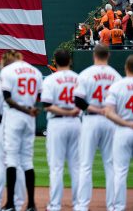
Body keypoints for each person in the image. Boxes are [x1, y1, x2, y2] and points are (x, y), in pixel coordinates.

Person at [73, 45, 119, 211]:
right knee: (110, 164)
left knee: (85, 164)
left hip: (91, 121)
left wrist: (96, 109)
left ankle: (82, 206)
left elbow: (78, 101)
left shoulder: (86, 74)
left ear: (94, 55)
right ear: (109, 55)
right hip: (110, 121)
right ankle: (112, 206)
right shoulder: (116, 76)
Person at [0, 50, 43, 211]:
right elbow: (40, 97)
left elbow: (8, 99)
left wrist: (25, 109)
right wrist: (31, 110)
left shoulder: (7, 71)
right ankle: (31, 204)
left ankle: (10, 203)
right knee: (27, 160)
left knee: (11, 158)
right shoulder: (36, 71)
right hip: (29, 117)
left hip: (15, 116)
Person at [0, 52, 26, 211]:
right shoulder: (19, 88)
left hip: (0, 130)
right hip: (17, 128)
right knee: (19, 165)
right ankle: (17, 202)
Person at [42, 49, 81, 211]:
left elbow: (46, 105)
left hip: (57, 125)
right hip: (76, 124)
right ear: (70, 61)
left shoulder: (50, 80)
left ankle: (55, 204)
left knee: (56, 166)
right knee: (76, 166)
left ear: (55, 62)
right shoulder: (79, 78)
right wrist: (72, 111)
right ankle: (79, 204)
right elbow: (83, 102)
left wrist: (65, 111)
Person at [104, 54, 133, 211]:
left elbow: (109, 113)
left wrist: (127, 124)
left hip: (123, 130)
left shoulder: (117, 86)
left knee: (120, 171)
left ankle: (119, 207)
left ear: (126, 67)